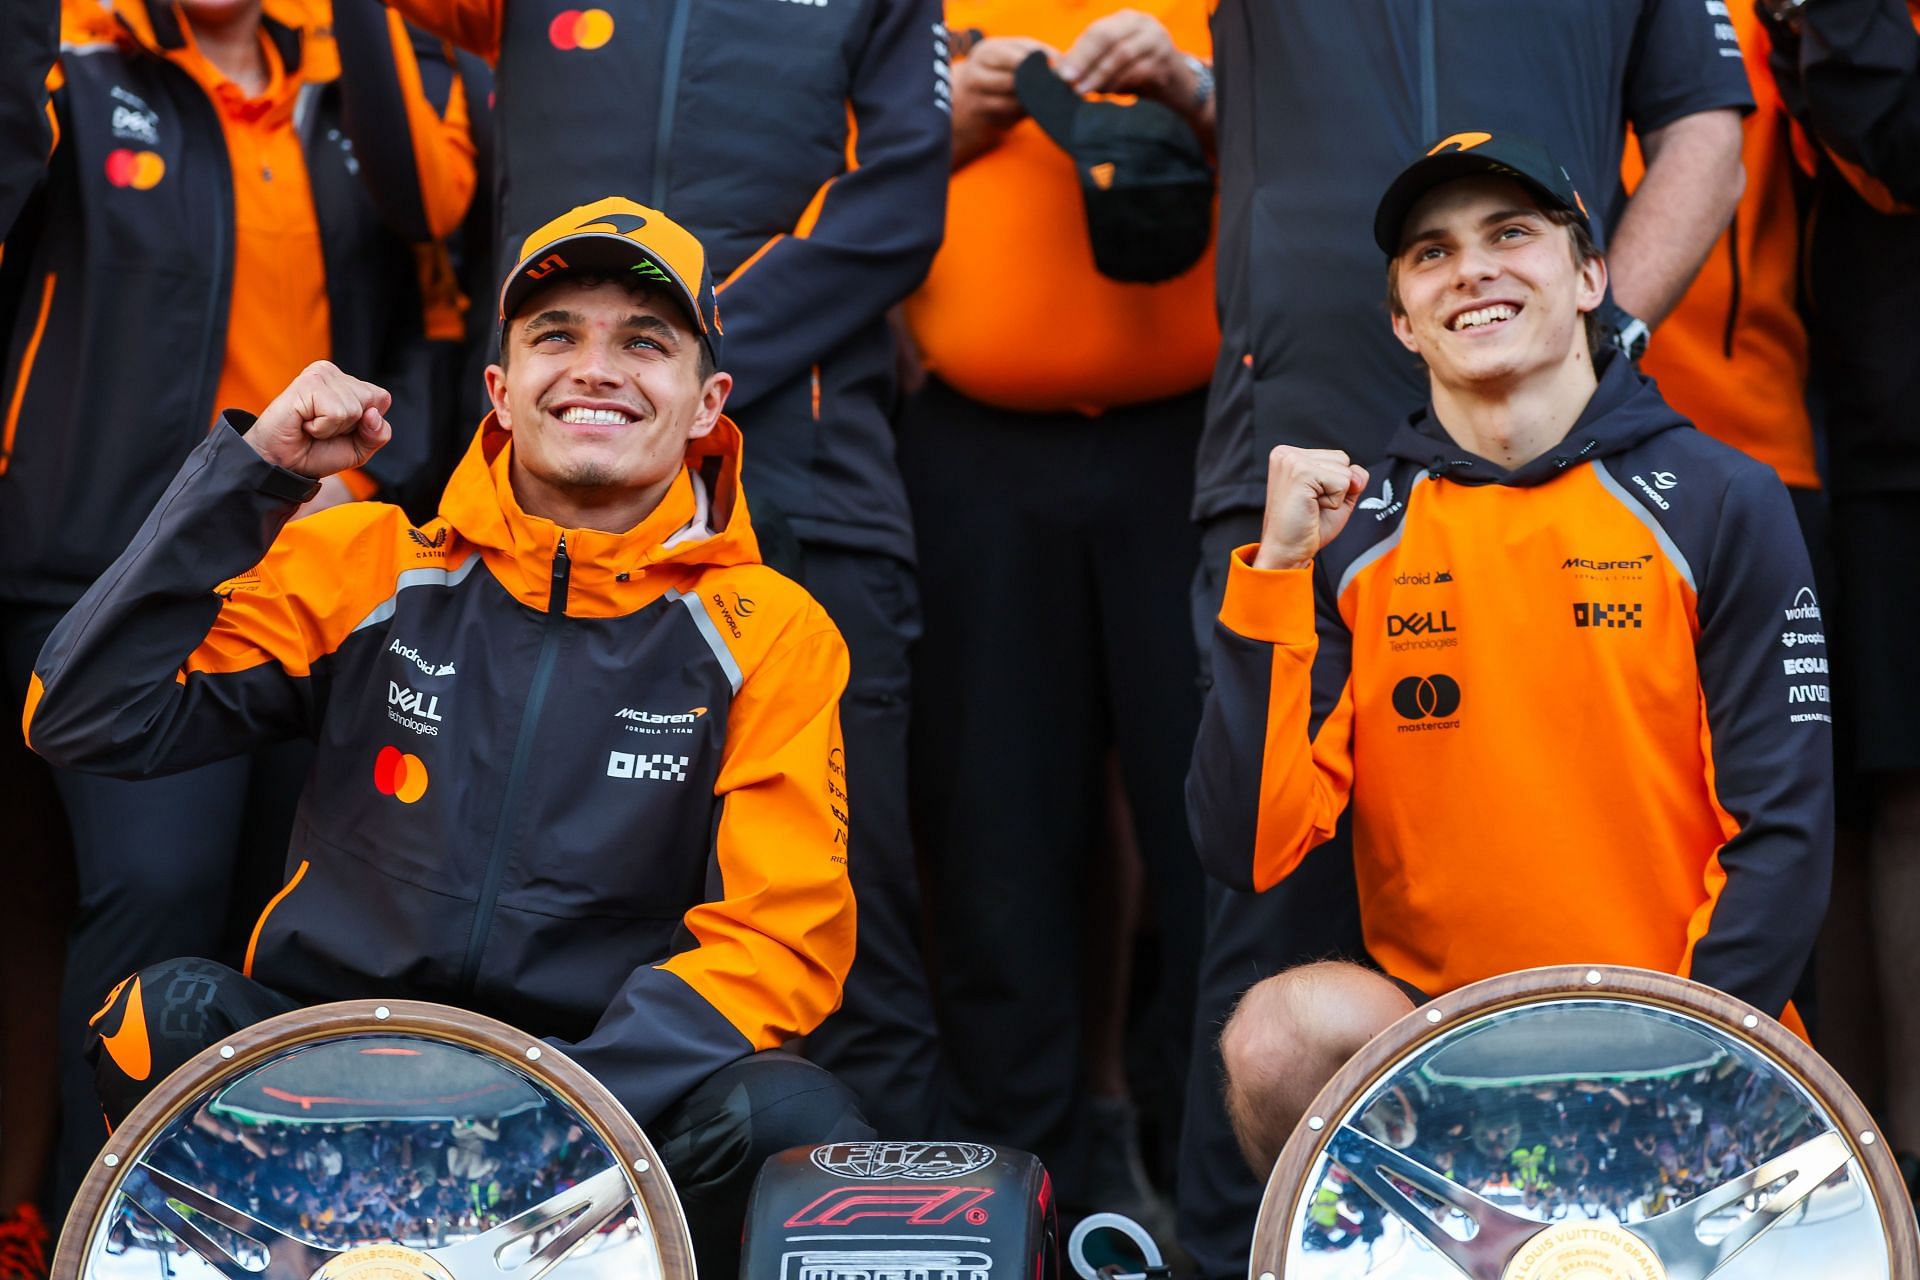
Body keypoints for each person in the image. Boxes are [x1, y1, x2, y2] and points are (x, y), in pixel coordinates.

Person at [25, 199, 873, 1277]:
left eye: (644, 341)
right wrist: (251, 479)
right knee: (163, 1015)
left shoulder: (775, 633)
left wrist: (545, 1105)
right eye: (556, 334)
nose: (594, 368)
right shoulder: (370, 565)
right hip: (338, 1084)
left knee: (791, 1113)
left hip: (597, 1120)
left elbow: (783, 937)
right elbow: (84, 711)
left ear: (708, 402)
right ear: (502, 389)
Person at [1179, 6, 1755, 1271]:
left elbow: (1711, 130)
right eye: (1437, 256)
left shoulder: (1717, 503)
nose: (1473, 267)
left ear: (1579, 263)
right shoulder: (1343, 532)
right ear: (1401, 306)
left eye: (1511, 239)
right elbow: (1244, 845)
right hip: (1308, 464)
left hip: (1666, 1038)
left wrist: (1567, 364)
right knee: (1263, 983)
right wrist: (1280, 563)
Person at [374, 0, 952, 1134]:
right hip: (539, 524)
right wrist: (620, 379)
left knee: (852, 928)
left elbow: (897, 204)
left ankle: (879, 1230)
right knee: (512, 894)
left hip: (813, 486)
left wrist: (666, 357)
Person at [0, 0, 475, 1223]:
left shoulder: (354, 81)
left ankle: (271, 1230)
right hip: (111, 567)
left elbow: (431, 270)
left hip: (324, 571)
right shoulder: (76, 59)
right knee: (160, 887)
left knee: (295, 920)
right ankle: (82, 1224)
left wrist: (371, 483)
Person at [900, 2, 1213, 1221]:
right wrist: (941, 123)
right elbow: (809, 166)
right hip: (974, 442)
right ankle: (1005, 1190)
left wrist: (1190, 88)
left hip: (1198, 440)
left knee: (1214, 825)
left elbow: (1324, 159)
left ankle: (1213, 1186)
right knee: (993, 828)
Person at [1763, 0, 1920, 1194]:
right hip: (1823, 440)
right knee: (1846, 805)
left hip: (1892, 441)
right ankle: (1866, 1174)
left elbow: (1893, 135)